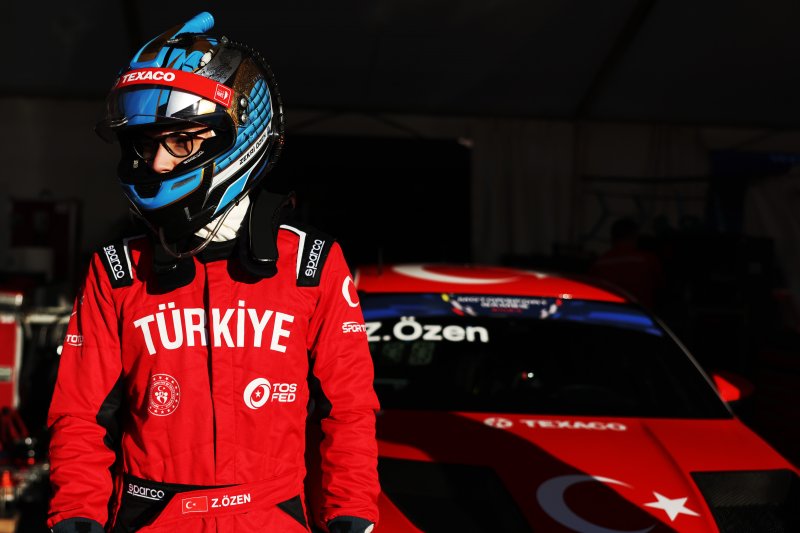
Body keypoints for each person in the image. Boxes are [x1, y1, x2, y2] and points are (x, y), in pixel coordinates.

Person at [46, 11, 380, 533]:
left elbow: (350, 410)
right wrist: (75, 513)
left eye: (181, 141)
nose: (158, 164)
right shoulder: (118, 270)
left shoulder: (310, 265)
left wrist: (351, 512)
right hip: (153, 517)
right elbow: (79, 416)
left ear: (240, 136)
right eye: (147, 145)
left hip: (272, 517)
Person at [589, 216, 665, 310]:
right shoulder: (647, 260)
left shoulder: (600, 263)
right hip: (640, 313)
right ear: (635, 236)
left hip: (609, 313)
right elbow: (661, 288)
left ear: (612, 238)